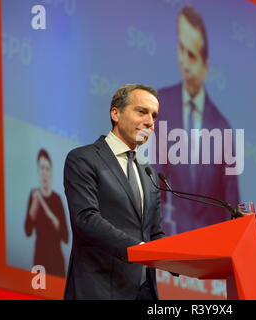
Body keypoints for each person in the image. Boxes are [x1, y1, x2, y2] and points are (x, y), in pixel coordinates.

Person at [63, 84, 165, 300]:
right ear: (115, 113)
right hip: (99, 290)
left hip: (144, 293)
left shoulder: (149, 174)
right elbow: (86, 219)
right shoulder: (84, 159)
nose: (150, 122)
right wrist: (137, 250)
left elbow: (154, 233)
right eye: (142, 111)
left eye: (154, 116)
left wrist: (179, 258)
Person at [156, 5, 240, 234]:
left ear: (205, 67)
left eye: (191, 55)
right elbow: (150, 184)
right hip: (167, 250)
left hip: (209, 256)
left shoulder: (223, 129)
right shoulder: (159, 105)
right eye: (180, 49)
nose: (183, 62)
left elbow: (233, 209)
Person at [24, 149, 69, 278]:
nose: (44, 172)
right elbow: (28, 230)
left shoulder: (57, 199)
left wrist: (44, 205)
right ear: (38, 170)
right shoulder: (34, 195)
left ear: (51, 172)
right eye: (42, 168)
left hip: (57, 261)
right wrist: (35, 202)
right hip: (40, 259)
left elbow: (65, 236)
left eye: (47, 168)